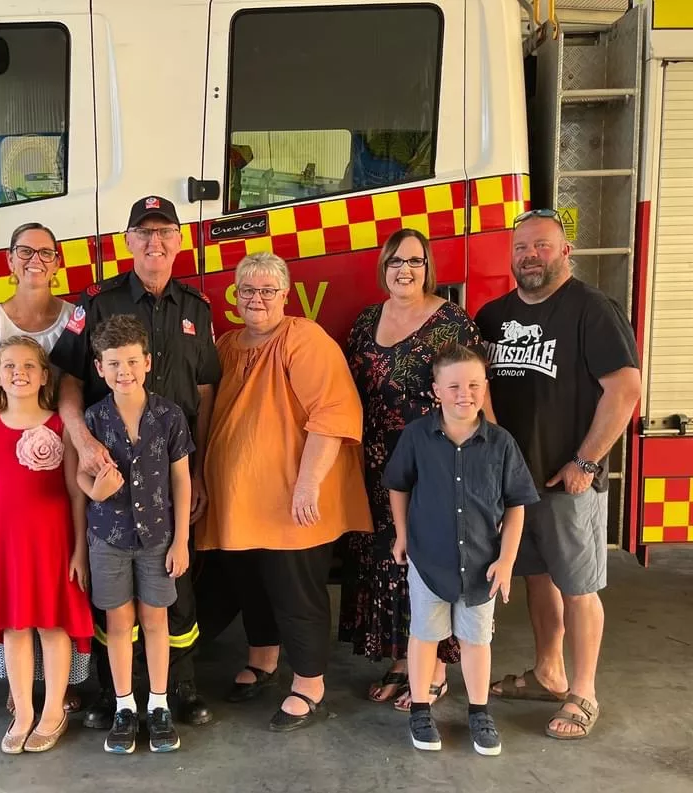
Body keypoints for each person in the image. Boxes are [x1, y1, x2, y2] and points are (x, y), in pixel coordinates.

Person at [475, 209, 640, 740]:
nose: (530, 255)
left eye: (542, 246)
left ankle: (584, 691)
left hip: (569, 479)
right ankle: (549, 672)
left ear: (565, 251)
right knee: (537, 578)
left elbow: (625, 390)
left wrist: (586, 462)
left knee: (579, 585)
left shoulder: (591, 309)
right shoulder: (493, 315)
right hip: (516, 483)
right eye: (521, 247)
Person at [58, 196, 220, 729]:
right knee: (116, 597)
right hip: (110, 475)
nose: (156, 242)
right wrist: (83, 443)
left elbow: (204, 391)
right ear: (127, 241)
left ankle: (181, 688)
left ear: (180, 239)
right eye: (144, 232)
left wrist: (196, 471)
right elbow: (69, 384)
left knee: (175, 583)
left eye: (166, 232)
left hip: (169, 472)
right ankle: (116, 695)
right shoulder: (97, 303)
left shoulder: (197, 307)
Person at [197, 252, 373, 732]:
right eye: (247, 291)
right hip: (239, 503)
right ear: (235, 296)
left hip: (292, 500)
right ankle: (263, 659)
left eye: (266, 291)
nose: (256, 299)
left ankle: (309, 684)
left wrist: (308, 485)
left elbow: (333, 414)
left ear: (285, 295)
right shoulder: (229, 345)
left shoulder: (304, 339)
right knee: (251, 584)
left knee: (297, 591)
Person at [338, 227, 490, 711]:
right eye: (396, 261)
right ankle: (405, 662)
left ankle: (437, 672)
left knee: (431, 561)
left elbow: (474, 391)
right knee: (388, 562)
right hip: (378, 464)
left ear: (429, 268)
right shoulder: (364, 322)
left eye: (415, 261)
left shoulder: (452, 322)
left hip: (435, 461)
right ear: (383, 267)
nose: (405, 269)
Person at [0, 222, 86, 713]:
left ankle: (58, 694)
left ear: (58, 261)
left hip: (57, 479)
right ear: (9, 260)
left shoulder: (77, 319)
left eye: (46, 252)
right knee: (12, 608)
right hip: (4, 501)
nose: (35, 260)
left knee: (54, 605)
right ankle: (20, 694)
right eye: (24, 251)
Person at [383, 344, 539, 755]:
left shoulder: (501, 443)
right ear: (437, 389)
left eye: (473, 385)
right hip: (428, 559)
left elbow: (517, 504)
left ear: (485, 387)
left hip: (482, 565)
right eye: (453, 386)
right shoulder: (417, 435)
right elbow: (398, 485)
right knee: (424, 635)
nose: (463, 394)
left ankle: (479, 712)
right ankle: (420, 709)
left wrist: (506, 560)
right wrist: (402, 535)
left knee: (475, 639)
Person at [0, 336, 93, 753]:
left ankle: (53, 710)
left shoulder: (60, 426)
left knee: (52, 625)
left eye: (29, 366)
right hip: (2, 544)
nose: (19, 373)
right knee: (14, 628)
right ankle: (23, 712)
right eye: (9, 367)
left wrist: (79, 551)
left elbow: (77, 493)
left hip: (52, 541)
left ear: (44, 376)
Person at [78, 315, 193, 754]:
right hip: (108, 539)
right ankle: (125, 706)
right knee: (118, 621)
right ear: (99, 368)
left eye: (131, 361)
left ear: (147, 362)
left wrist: (182, 539)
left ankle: (158, 704)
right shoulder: (93, 418)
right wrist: (96, 488)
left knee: (156, 618)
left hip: (158, 539)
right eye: (113, 363)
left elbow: (182, 480)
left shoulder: (169, 416)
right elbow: (79, 479)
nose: (123, 371)